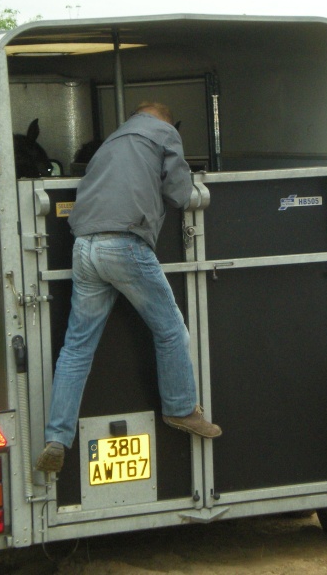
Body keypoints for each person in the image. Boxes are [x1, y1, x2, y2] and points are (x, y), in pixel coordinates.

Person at [36, 102, 221, 473]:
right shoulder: (165, 134)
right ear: (166, 120)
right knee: (171, 330)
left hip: (84, 246)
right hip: (125, 244)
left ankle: (57, 437)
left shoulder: (112, 141)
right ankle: (182, 409)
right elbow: (181, 193)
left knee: (76, 347)